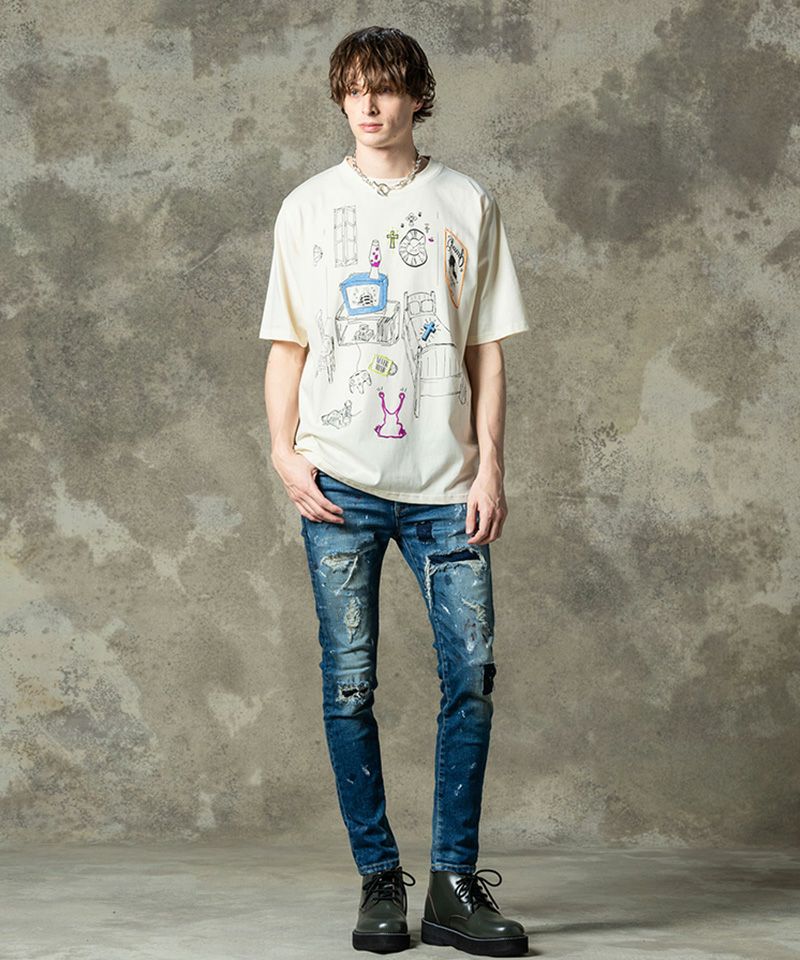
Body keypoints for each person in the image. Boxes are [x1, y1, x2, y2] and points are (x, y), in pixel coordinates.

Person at [260, 25, 530, 957]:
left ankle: (453, 885)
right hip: (340, 483)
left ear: (418, 95)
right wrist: (283, 453)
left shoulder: (467, 201)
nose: (368, 106)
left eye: (384, 88)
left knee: (470, 681)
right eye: (353, 90)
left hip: (448, 486)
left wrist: (491, 465)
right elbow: (287, 344)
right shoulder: (307, 208)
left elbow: (486, 349)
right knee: (349, 687)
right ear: (340, 99)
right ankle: (381, 881)